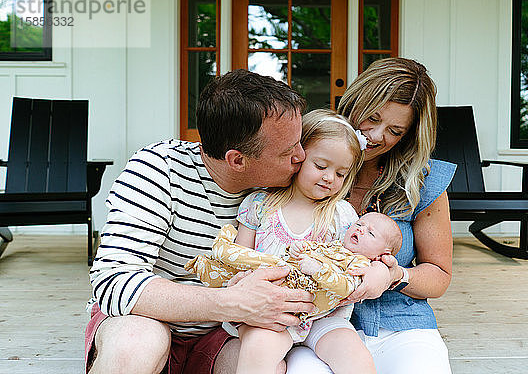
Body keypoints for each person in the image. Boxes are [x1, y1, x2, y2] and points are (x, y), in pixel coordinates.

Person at [84, 69, 316, 374]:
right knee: (135, 343)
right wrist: (233, 301)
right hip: (146, 322)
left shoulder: (290, 187)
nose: (302, 157)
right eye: (288, 152)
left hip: (223, 335)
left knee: (268, 364)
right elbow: (114, 283)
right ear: (237, 160)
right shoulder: (158, 170)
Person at [285, 57, 456, 374]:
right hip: (310, 327)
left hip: (399, 324)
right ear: (353, 103)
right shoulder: (306, 162)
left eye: (394, 130)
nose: (376, 135)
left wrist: (395, 276)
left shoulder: (424, 182)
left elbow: (439, 276)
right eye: (371, 118)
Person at [187, 109, 380, 374]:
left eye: (341, 174)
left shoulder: (340, 214)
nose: (329, 178)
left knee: (357, 359)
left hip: (322, 313)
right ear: (299, 157)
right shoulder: (260, 205)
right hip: (269, 314)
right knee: (257, 355)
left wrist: (371, 270)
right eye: (321, 166)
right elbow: (240, 257)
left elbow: (354, 258)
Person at [185, 211, 403, 334]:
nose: (360, 229)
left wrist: (318, 270)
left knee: (255, 267)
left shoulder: (361, 267)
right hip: (291, 274)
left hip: (299, 294)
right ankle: (212, 266)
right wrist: (298, 249)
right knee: (255, 268)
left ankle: (222, 252)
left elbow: (343, 286)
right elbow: (311, 249)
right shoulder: (336, 246)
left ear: (381, 254)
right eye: (360, 224)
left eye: (370, 233)